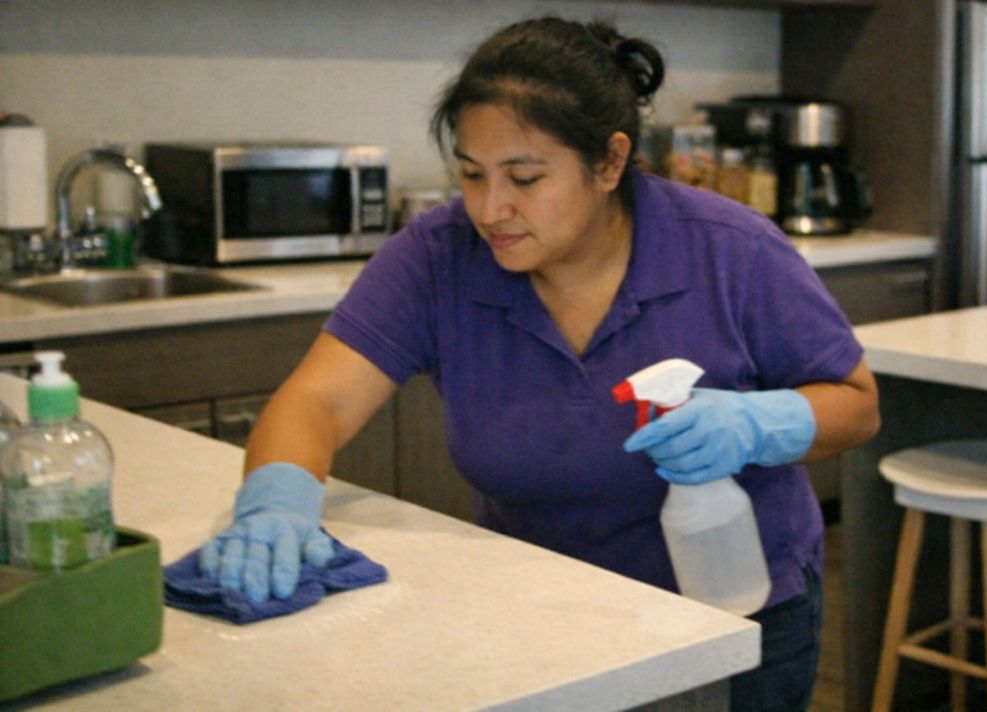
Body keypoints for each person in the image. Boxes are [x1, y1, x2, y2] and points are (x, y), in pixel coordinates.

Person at [197, 15, 880, 711]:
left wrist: (762, 423)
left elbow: (858, 403)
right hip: (538, 611)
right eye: (470, 174)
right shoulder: (439, 257)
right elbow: (317, 402)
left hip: (732, 612)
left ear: (610, 163)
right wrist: (276, 502)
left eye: (524, 177)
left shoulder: (727, 249)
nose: (492, 208)